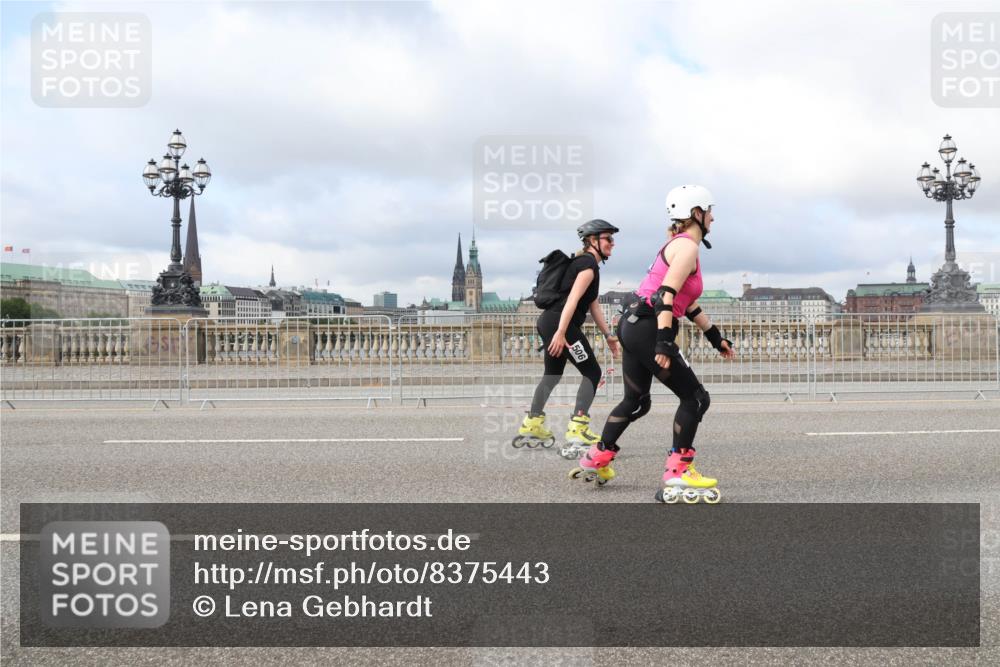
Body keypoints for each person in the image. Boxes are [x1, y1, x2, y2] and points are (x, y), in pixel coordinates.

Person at [569, 186, 735, 502]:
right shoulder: (687, 248)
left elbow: (687, 303)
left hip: (632, 322)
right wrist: (664, 343)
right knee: (696, 399)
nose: (713, 216)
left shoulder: (676, 245)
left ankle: (599, 457)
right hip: (648, 326)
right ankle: (680, 474)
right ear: (697, 214)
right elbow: (666, 297)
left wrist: (716, 338)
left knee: (636, 400)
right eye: (709, 210)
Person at [515, 219, 621, 456]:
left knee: (552, 375)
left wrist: (609, 336)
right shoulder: (587, 266)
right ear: (593, 241)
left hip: (549, 321)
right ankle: (578, 428)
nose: (613, 244)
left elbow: (592, 305)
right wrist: (561, 333)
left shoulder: (587, 265)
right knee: (593, 373)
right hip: (558, 324)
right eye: (608, 239)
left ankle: (533, 424)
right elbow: (572, 301)